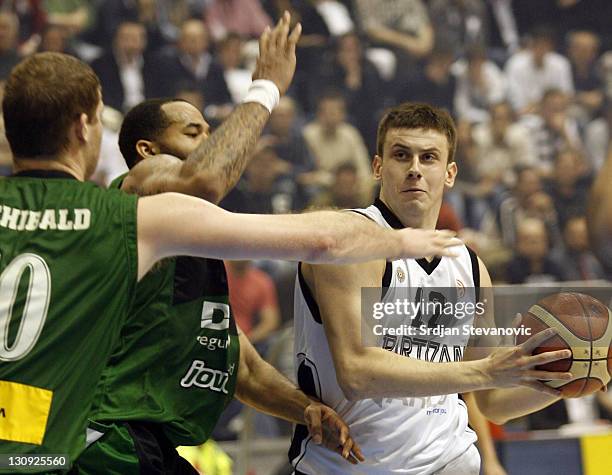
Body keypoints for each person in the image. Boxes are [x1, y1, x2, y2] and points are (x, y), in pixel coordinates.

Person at [0, 42, 460, 472]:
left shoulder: (191, 247)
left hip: (109, 442)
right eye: (194, 131)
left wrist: (306, 408)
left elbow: (245, 369)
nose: (211, 140)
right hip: (109, 441)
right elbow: (222, 188)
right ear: (147, 151)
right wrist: (265, 89)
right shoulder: (141, 194)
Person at [290, 102, 575, 474]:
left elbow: (492, 401)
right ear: (378, 167)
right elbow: (358, 372)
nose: (414, 169)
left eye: (428, 158)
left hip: (451, 462)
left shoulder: (469, 265)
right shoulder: (350, 240)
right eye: (400, 155)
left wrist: (558, 379)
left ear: (450, 173)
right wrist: (486, 371)